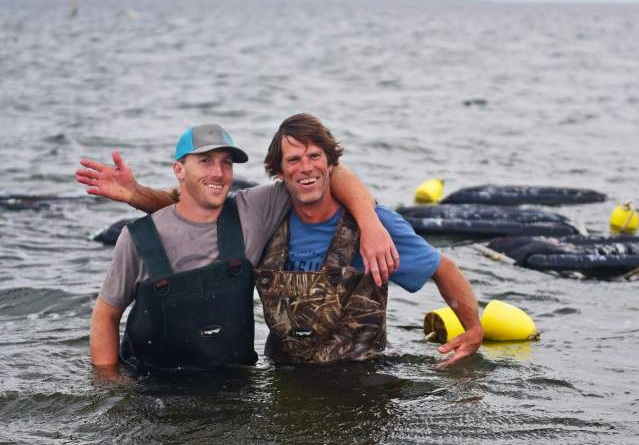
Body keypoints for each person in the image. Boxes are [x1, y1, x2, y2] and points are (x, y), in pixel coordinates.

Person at [81, 123, 399, 375]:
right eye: (205, 161)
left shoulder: (253, 211)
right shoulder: (136, 238)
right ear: (179, 169)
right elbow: (105, 316)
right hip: (152, 386)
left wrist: (369, 222)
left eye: (226, 163)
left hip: (232, 386)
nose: (218, 173)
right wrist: (110, 387)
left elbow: (330, 170)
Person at [254, 114, 483, 366]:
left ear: (331, 163)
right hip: (285, 375)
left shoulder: (377, 226)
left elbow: (444, 269)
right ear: (279, 171)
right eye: (294, 160)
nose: (306, 167)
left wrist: (473, 331)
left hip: (359, 380)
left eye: (315, 156)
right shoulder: (268, 224)